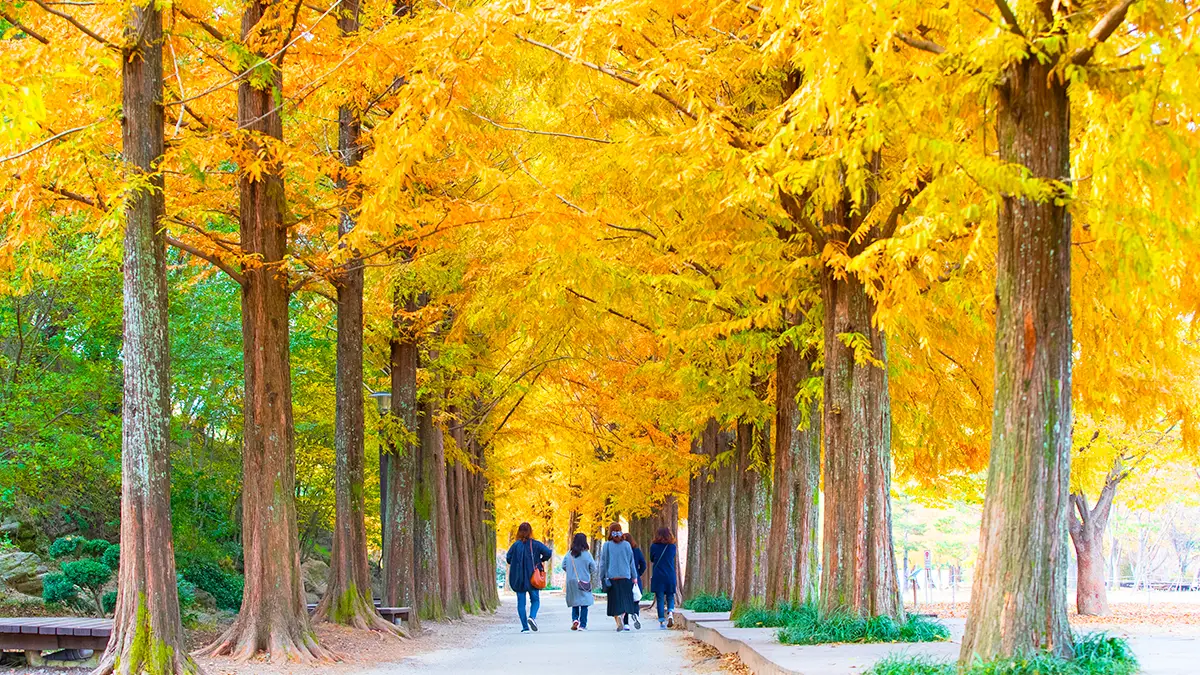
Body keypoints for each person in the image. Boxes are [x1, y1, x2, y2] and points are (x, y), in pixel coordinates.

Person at [505, 522, 552, 633]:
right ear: (530, 531)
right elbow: (548, 553)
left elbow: (508, 558)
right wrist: (540, 560)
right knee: (535, 600)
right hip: (533, 577)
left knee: (521, 603)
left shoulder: (515, 545)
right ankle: (532, 616)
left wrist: (516, 562)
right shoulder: (535, 544)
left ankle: (525, 627)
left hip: (519, 579)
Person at [598, 523, 639, 631]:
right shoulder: (626, 545)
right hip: (625, 577)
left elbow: (603, 563)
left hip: (612, 578)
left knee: (614, 602)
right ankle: (622, 616)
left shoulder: (606, 545)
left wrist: (601, 576)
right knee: (625, 601)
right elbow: (631, 563)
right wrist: (634, 576)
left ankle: (617, 620)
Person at [562, 532, 596, 631]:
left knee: (575, 601)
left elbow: (563, 565)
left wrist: (570, 572)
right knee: (584, 603)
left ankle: (575, 619)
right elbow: (593, 568)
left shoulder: (569, 554)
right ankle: (582, 625)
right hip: (583, 581)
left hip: (571, 581)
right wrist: (587, 572)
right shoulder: (587, 554)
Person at [649, 527, 678, 629]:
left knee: (660, 598)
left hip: (658, 575)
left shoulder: (654, 546)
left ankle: (662, 621)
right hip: (670, 574)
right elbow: (672, 557)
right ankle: (670, 612)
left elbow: (651, 558)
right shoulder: (672, 547)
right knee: (670, 596)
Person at [622, 533, 646, 630]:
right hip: (635, 578)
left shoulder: (622, 551)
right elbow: (643, 564)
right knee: (636, 599)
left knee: (625, 601)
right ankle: (636, 614)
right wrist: (638, 573)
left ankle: (626, 623)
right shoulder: (636, 550)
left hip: (624, 578)